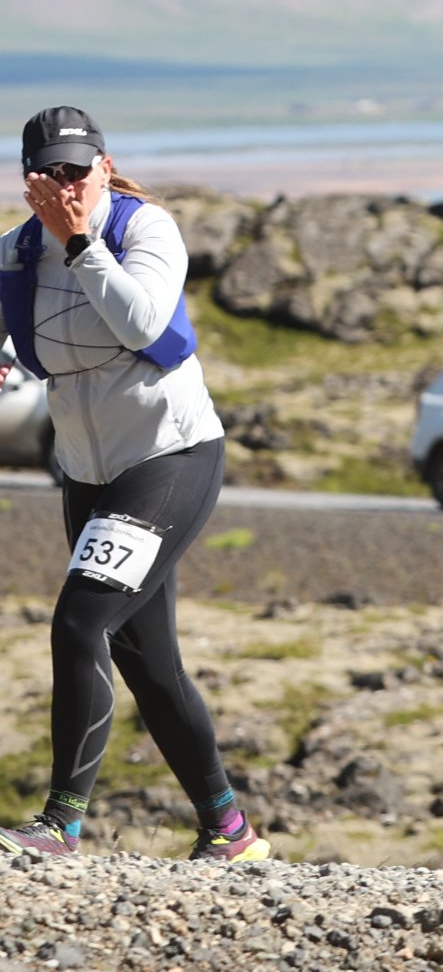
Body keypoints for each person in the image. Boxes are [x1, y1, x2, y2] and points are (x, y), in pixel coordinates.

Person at [0, 107, 269, 863]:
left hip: (171, 458)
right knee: (150, 664)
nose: (66, 185)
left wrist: (82, 241)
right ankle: (229, 830)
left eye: (78, 170)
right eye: (49, 172)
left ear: (104, 166)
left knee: (80, 623)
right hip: (87, 473)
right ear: (28, 181)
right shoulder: (17, 253)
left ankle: (60, 823)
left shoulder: (143, 229)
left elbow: (143, 323)